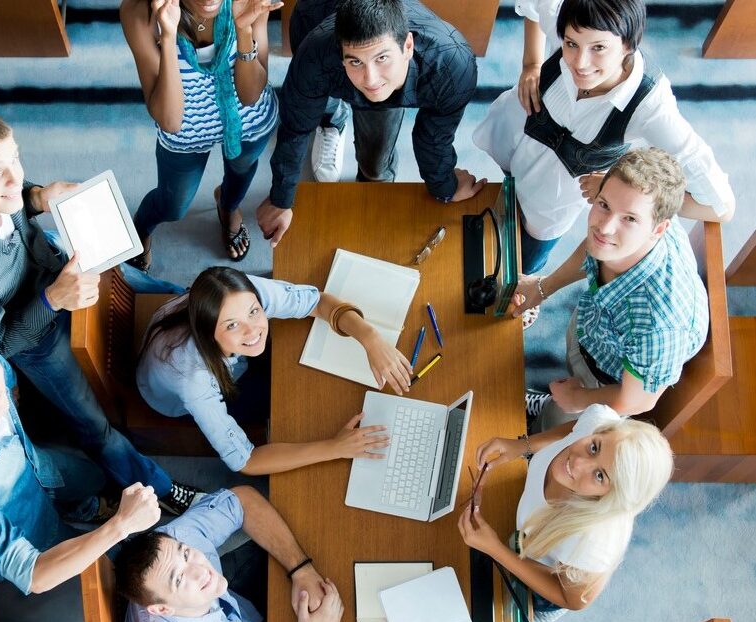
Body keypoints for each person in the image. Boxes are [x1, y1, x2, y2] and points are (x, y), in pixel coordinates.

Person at [0, 110, 197, 515]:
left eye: (14, 158)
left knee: (138, 282)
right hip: (29, 333)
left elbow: (16, 191)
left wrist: (36, 198)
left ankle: (198, 309)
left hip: (43, 261)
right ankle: (159, 486)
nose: (14, 177)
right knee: (93, 424)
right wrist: (54, 298)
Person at [472, 0, 735, 277]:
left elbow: (721, 206)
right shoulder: (569, 15)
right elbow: (535, 6)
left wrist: (617, 191)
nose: (580, 64)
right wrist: (532, 63)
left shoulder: (651, 107)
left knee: (523, 260)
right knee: (497, 203)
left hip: (550, 201)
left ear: (627, 45)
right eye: (570, 44)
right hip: (513, 142)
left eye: (598, 48)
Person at [0, 319, 162, 594]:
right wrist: (120, 526)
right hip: (30, 526)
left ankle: (88, 508)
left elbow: (6, 376)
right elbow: (33, 574)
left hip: (41, 467)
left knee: (94, 477)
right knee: (108, 566)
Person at [255, 0, 482, 247]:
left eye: (382, 58)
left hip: (385, 71)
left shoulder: (453, 66)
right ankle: (332, 121)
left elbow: (433, 137)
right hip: (315, 15)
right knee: (318, 102)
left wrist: (444, 186)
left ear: (407, 46)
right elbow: (296, 126)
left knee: (376, 162)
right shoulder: (315, 54)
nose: (370, 79)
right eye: (355, 61)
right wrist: (281, 199)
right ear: (341, 55)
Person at [137, 266, 405, 472]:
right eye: (232, 324)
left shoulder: (241, 292)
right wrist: (335, 447)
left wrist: (371, 338)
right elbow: (246, 461)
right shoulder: (193, 381)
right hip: (174, 396)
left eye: (254, 312)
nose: (254, 330)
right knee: (292, 403)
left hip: (226, 356)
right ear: (208, 333)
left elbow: (318, 302)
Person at [513, 148, 709, 430]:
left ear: (658, 229)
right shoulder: (641, 209)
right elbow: (597, 248)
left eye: (628, 218)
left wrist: (580, 398)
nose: (604, 227)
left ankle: (544, 421)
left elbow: (638, 400)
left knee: (553, 428)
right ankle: (548, 404)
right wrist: (543, 288)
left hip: (609, 382)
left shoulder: (659, 325)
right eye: (603, 204)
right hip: (595, 328)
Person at [459, 404, 673, 622]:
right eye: (594, 448)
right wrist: (522, 446)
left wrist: (496, 550)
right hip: (525, 537)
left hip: (548, 587)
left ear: (611, 497)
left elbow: (572, 599)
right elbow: (578, 428)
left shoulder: (595, 543)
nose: (577, 463)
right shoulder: (599, 423)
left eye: (600, 476)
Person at [120, 0, 281, 269]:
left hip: (247, 123)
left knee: (240, 174)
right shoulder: (140, 13)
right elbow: (170, 121)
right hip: (185, 132)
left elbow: (251, 95)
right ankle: (141, 230)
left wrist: (243, 30)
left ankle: (227, 207)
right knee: (173, 204)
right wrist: (169, 36)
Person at [115, 486, 343, 622]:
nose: (200, 570)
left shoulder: (167, 547)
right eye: (179, 579)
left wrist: (300, 570)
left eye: (186, 554)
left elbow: (241, 501)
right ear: (162, 609)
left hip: (237, 620)